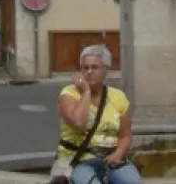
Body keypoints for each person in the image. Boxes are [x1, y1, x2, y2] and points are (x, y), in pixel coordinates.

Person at [54, 45, 142, 184]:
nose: (89, 72)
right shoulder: (69, 93)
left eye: (94, 67)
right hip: (79, 159)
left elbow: (125, 135)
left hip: (109, 158)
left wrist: (118, 154)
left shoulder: (118, 97)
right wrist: (86, 92)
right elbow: (79, 124)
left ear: (105, 70)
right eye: (85, 67)